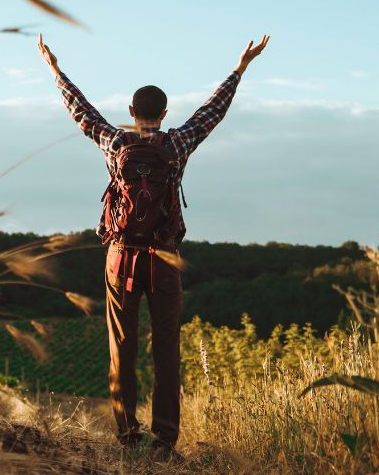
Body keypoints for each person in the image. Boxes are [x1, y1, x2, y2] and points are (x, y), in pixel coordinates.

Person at [37, 33, 270, 458]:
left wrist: (55, 69)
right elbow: (210, 113)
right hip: (163, 258)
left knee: (121, 350)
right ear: (164, 114)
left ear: (130, 112)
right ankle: (164, 441)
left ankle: (127, 437)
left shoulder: (116, 143)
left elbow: (80, 111)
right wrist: (240, 68)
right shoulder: (176, 143)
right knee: (166, 350)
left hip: (121, 257)